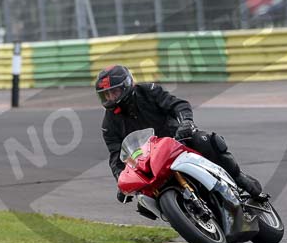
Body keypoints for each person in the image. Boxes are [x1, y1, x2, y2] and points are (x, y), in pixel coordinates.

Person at [96, 64, 265, 205]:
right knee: (143, 199)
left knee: (206, 140)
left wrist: (186, 123)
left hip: (177, 141)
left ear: (126, 85)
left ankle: (238, 176)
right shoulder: (108, 125)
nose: (110, 98)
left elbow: (178, 105)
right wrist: (121, 181)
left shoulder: (148, 91)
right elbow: (116, 156)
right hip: (149, 163)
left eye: (115, 92)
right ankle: (177, 214)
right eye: (107, 95)